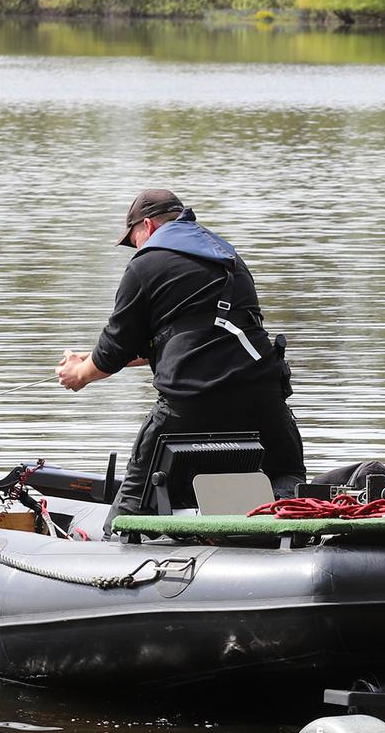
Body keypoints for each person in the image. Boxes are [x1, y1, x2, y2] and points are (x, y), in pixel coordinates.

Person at [57, 189, 304, 527]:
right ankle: (295, 535)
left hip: (191, 399)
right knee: (287, 475)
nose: (136, 248)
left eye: (134, 240)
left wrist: (80, 373)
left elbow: (115, 347)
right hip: (262, 394)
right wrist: (99, 358)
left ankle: (117, 545)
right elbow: (204, 333)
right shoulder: (225, 255)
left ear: (147, 225)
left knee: (136, 496)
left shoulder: (146, 264)